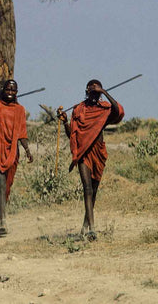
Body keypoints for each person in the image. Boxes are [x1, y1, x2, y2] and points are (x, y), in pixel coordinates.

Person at [57, 79, 124, 240]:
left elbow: (119, 112)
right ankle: (92, 229)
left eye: (97, 93)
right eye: (92, 92)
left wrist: (105, 92)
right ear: (87, 91)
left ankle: (84, 226)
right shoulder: (79, 109)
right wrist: (65, 121)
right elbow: (71, 134)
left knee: (93, 191)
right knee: (87, 188)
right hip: (83, 153)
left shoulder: (104, 109)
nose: (94, 95)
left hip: (98, 152)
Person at [0, 79, 33, 235]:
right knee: (1, 183)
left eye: (13, 90)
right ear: (3, 90)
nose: (10, 92)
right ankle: (3, 221)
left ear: (17, 92)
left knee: (7, 186)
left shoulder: (20, 110)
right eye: (8, 90)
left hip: (13, 152)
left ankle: (0, 218)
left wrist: (27, 150)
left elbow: (22, 133)